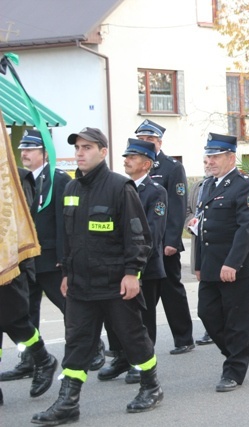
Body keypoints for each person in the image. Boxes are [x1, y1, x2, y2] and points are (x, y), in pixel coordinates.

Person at [33, 127, 162, 425]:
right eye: (77, 148)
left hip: (115, 283)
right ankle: (68, 401)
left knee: (132, 338)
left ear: (103, 152)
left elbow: (139, 236)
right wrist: (66, 271)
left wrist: (133, 273)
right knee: (76, 342)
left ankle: (151, 386)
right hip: (80, 284)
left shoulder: (120, 187)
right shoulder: (71, 190)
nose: (80, 153)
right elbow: (68, 237)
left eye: (87, 148)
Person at [1, 131, 75, 384]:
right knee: (24, 313)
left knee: (65, 307)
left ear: (45, 153)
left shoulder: (48, 179)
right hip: (25, 260)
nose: (24, 154)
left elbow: (61, 221)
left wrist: (63, 257)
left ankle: (83, 349)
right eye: (22, 149)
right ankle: (30, 361)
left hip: (39, 259)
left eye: (30, 149)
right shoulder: (19, 177)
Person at [192, 133, 249, 392]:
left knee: (236, 319)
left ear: (231, 157)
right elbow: (203, 228)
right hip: (211, 265)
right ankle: (234, 353)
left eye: (214, 156)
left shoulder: (244, 186)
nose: (208, 161)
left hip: (236, 266)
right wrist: (198, 264)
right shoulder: (208, 186)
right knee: (206, 313)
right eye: (207, 156)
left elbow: (247, 229)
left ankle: (234, 369)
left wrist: (232, 263)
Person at [98, 139, 168, 384]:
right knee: (114, 317)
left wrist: (134, 265)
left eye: (133, 157)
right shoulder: (119, 187)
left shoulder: (156, 192)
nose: (126, 160)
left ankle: (142, 362)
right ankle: (120, 357)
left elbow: (152, 232)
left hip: (145, 268)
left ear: (146, 164)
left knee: (142, 319)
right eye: (126, 155)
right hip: (118, 266)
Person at [135, 119, 194, 355]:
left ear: (159, 142)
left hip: (164, 244)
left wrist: (171, 241)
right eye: (142, 139)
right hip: (144, 245)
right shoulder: (136, 167)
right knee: (146, 295)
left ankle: (184, 338)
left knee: (172, 291)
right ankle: (146, 343)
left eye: (150, 139)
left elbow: (177, 206)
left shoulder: (172, 167)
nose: (145, 143)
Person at [0, 165, 58, 407]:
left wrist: (9, 261)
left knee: (13, 319)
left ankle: (43, 359)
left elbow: (20, 221)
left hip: (10, 261)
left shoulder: (14, 176)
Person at [185, 161, 214, 346]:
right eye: (204, 162)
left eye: (211, 160)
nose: (208, 164)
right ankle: (210, 329)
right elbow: (187, 210)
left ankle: (220, 327)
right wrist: (191, 221)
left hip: (217, 244)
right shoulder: (197, 186)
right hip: (199, 242)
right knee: (205, 287)